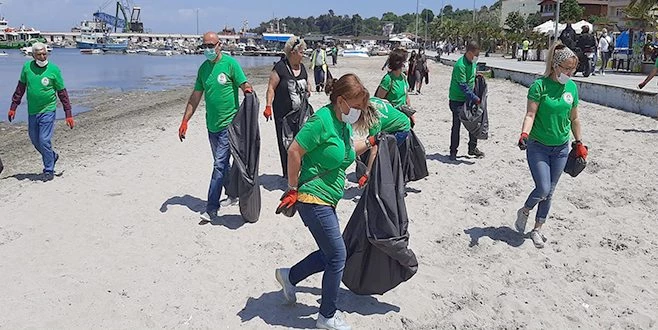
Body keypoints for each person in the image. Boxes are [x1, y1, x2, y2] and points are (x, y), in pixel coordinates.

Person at [274, 73, 378, 330]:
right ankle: (327, 316)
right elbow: (294, 150)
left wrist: (371, 142)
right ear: (341, 100)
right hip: (312, 197)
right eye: (355, 107)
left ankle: (290, 276)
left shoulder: (342, 123)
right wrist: (291, 187)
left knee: (330, 253)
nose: (358, 112)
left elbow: (345, 153)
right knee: (338, 256)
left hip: (329, 199)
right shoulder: (321, 120)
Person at [515, 41, 587, 249]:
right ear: (556, 66)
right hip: (538, 145)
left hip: (562, 148)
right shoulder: (539, 86)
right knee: (543, 188)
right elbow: (530, 114)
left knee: (551, 191)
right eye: (567, 69)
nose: (570, 73)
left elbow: (574, 119)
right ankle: (525, 210)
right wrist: (524, 134)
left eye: (573, 69)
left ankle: (537, 229)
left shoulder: (572, 88)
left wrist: (579, 142)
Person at [177, 32, 253, 222]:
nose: (208, 49)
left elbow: (244, 84)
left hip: (230, 125)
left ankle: (211, 208)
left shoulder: (230, 64)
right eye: (205, 46)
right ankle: (233, 195)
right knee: (223, 166)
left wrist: (248, 92)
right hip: (212, 126)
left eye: (211, 45)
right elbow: (195, 97)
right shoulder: (203, 69)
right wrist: (185, 121)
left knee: (219, 165)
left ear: (220, 45)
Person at [7, 42, 75, 181]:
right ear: (33, 55)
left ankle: (48, 169)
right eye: (39, 54)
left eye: (45, 54)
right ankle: (52, 156)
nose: (43, 57)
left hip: (48, 110)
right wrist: (13, 107)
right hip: (32, 110)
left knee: (44, 139)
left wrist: (68, 114)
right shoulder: (27, 68)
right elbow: (20, 89)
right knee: (35, 140)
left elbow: (62, 93)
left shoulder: (54, 70)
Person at [264, 36, 312, 177]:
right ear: (293, 52)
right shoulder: (280, 68)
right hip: (283, 115)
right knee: (286, 144)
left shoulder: (302, 67)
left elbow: (306, 81)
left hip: (302, 115)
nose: (304, 54)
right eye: (302, 52)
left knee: (302, 143)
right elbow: (271, 88)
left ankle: (301, 171)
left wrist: (308, 87)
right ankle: (288, 174)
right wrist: (268, 106)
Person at [448, 41, 484, 161]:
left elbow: (471, 76)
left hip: (470, 98)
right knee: (457, 125)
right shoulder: (460, 65)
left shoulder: (473, 63)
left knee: (474, 123)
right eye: (476, 54)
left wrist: (478, 76)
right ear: (469, 53)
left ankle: (472, 148)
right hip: (457, 99)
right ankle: (453, 151)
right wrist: (475, 98)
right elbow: (463, 86)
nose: (477, 56)